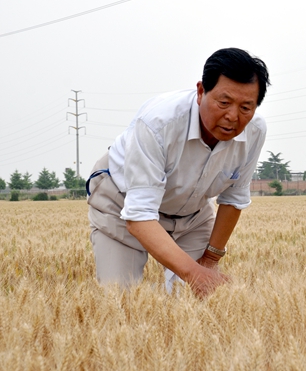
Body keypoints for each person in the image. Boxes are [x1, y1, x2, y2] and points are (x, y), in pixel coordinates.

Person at [86, 48, 269, 297]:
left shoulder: (255, 131)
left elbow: (234, 199)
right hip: (122, 203)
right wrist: (193, 273)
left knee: (194, 304)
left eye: (246, 107)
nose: (232, 117)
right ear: (201, 91)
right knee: (120, 301)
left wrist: (209, 260)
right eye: (224, 103)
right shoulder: (158, 122)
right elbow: (139, 214)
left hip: (191, 214)